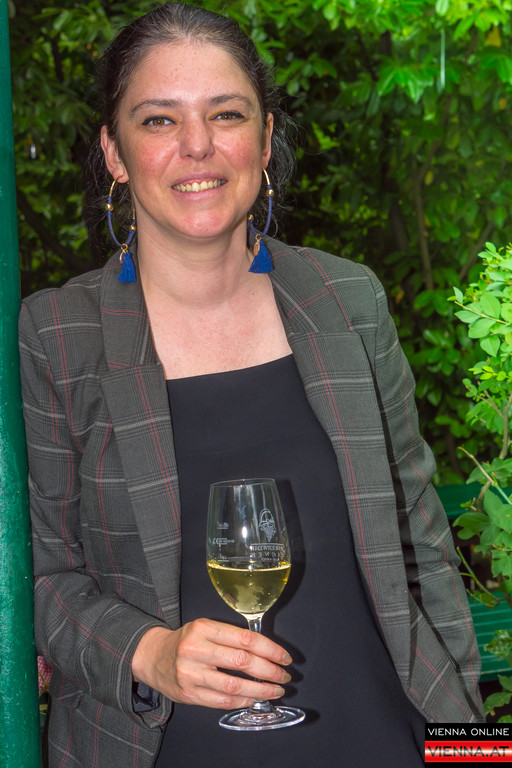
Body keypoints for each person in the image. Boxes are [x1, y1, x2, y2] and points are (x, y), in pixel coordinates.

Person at [19, 3, 484, 767]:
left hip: (380, 741)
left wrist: (476, 751)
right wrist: (148, 652)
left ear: (264, 139)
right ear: (114, 151)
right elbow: (39, 574)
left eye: (226, 114)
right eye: (159, 120)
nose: (197, 144)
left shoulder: (346, 299)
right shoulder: (57, 334)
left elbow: (423, 547)